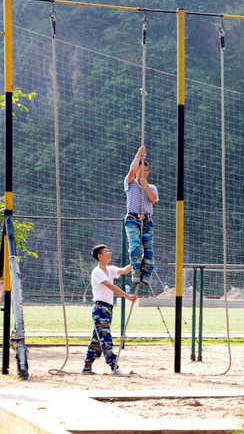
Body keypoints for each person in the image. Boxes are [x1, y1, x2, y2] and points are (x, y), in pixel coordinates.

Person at [83, 244, 137, 375]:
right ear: (99, 256)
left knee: (96, 340)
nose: (109, 253)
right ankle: (114, 366)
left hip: (107, 308)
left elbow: (124, 270)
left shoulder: (110, 269)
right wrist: (128, 297)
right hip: (100, 308)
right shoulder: (97, 272)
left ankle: (86, 368)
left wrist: (136, 262)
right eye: (106, 251)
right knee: (105, 338)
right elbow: (110, 286)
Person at [124, 145, 158, 285]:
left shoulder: (151, 187)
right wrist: (138, 154)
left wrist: (146, 186)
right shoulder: (130, 183)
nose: (145, 172)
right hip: (133, 219)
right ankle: (136, 271)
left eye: (147, 170)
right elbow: (131, 171)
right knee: (135, 247)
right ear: (137, 171)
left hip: (147, 220)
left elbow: (153, 199)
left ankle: (146, 274)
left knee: (149, 249)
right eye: (141, 169)